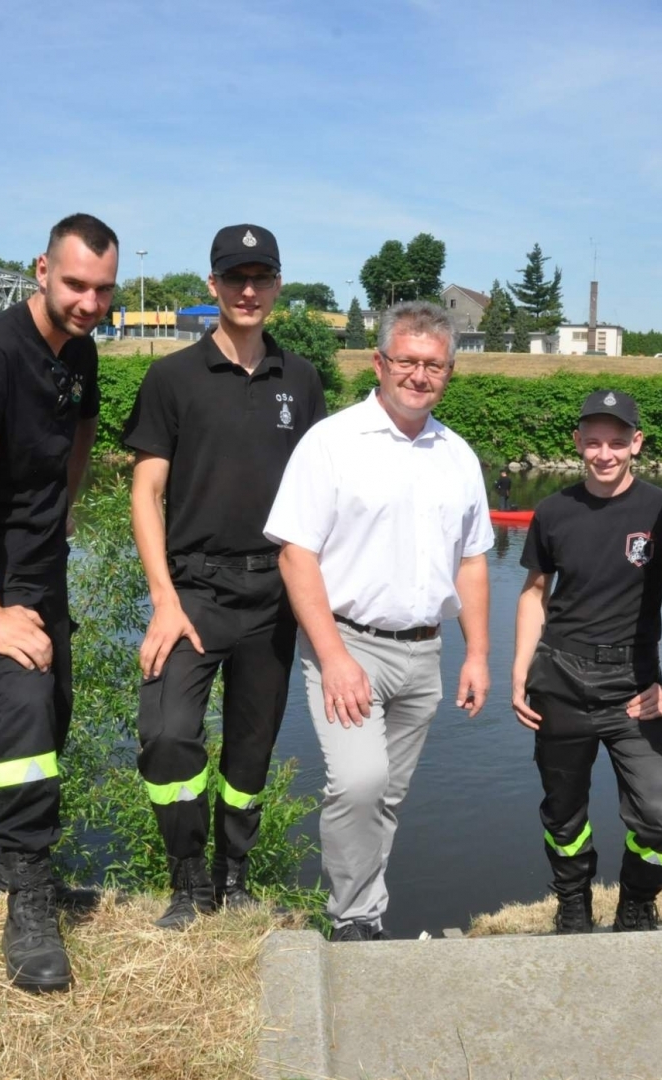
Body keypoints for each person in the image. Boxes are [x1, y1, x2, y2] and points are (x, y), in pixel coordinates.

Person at [0, 213, 117, 993]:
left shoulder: (82, 350)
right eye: (75, 284)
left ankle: (12, 869)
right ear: (41, 269)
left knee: (57, 703)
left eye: (104, 289)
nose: (89, 302)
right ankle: (31, 903)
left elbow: (83, 424)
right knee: (23, 702)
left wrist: (64, 505)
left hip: (41, 556)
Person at [265, 300, 492, 942]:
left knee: (387, 795)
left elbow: (474, 561)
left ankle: (367, 908)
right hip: (348, 644)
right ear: (380, 362)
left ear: (449, 371)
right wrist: (333, 657)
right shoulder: (332, 442)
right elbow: (295, 553)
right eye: (407, 361)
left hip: (425, 651)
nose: (420, 375)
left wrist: (478, 653)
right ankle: (353, 920)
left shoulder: (458, 456)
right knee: (359, 783)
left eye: (434, 365)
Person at [121, 225, 326, 928]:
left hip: (274, 596)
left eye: (260, 277)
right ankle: (187, 882)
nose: (247, 290)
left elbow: (322, 498)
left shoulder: (299, 379)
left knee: (251, 749)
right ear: (212, 286)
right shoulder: (172, 377)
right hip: (195, 594)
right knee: (169, 735)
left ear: (276, 285)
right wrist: (163, 602)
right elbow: (145, 493)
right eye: (233, 277)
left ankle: (231, 880)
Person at [512, 390, 662, 934]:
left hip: (634, 684)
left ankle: (636, 901)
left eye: (616, 442)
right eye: (593, 442)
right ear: (578, 443)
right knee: (563, 813)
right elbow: (534, 593)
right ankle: (574, 904)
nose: (604, 453)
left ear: (636, 443)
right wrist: (519, 672)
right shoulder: (554, 511)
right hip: (559, 678)